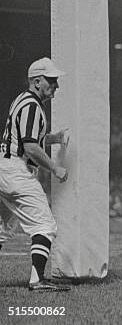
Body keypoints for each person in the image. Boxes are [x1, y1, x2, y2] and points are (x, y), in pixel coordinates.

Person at [0, 57, 70, 292]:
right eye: (51, 80)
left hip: (5, 167)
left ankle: (37, 279)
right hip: (16, 170)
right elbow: (30, 147)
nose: (56, 85)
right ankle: (37, 280)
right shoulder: (32, 106)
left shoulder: (22, 100)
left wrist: (54, 137)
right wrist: (55, 167)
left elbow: (29, 139)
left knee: (3, 229)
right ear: (37, 81)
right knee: (45, 225)